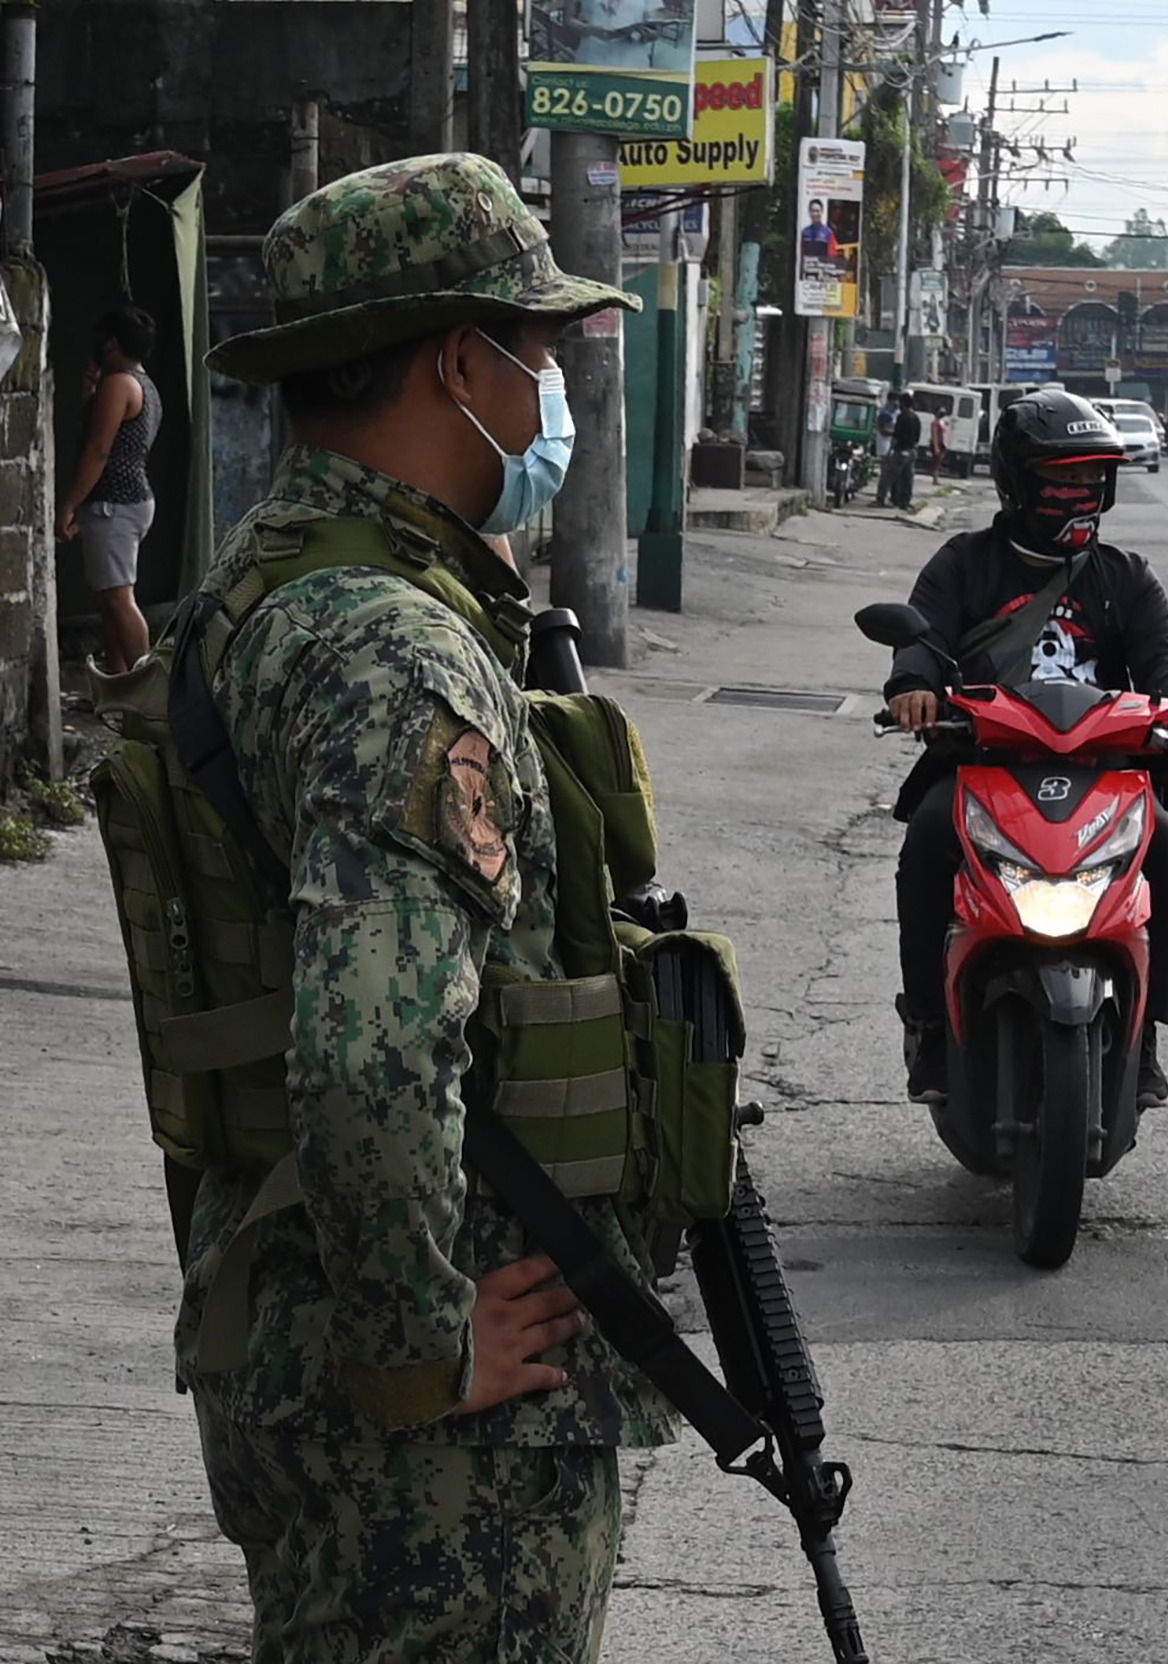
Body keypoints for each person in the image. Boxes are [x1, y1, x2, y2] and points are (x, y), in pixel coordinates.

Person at [135, 153, 663, 1660]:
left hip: (305, 1334)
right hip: (431, 1454)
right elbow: (369, 1050)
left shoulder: (264, 581)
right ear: (459, 362)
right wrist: (424, 1341)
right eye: (540, 355)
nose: (552, 393)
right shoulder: (387, 651)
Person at [885, 389, 1168, 1107]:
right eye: (1061, 480)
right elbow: (923, 636)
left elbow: (1164, 657)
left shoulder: (1125, 576)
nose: (1079, 496)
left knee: (1166, 853)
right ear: (1017, 483)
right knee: (922, 848)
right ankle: (928, 1026)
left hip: (1103, 772)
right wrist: (912, 686)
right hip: (985, 768)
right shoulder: (964, 563)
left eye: (1090, 482)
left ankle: (1146, 1030)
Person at [59, 305, 162, 675]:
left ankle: (148, 691)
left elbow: (99, 449)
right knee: (109, 601)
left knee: (119, 600)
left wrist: (69, 505)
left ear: (113, 343)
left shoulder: (119, 384)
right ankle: (119, 691)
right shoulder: (142, 383)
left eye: (101, 341)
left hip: (115, 504)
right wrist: (90, 395)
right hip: (128, 500)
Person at [880, 388, 922, 510]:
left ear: (902, 403)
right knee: (907, 478)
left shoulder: (902, 417)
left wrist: (890, 451)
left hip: (901, 451)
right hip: (912, 451)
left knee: (888, 476)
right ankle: (905, 502)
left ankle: (881, 499)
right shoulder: (915, 417)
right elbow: (917, 438)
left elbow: (896, 436)